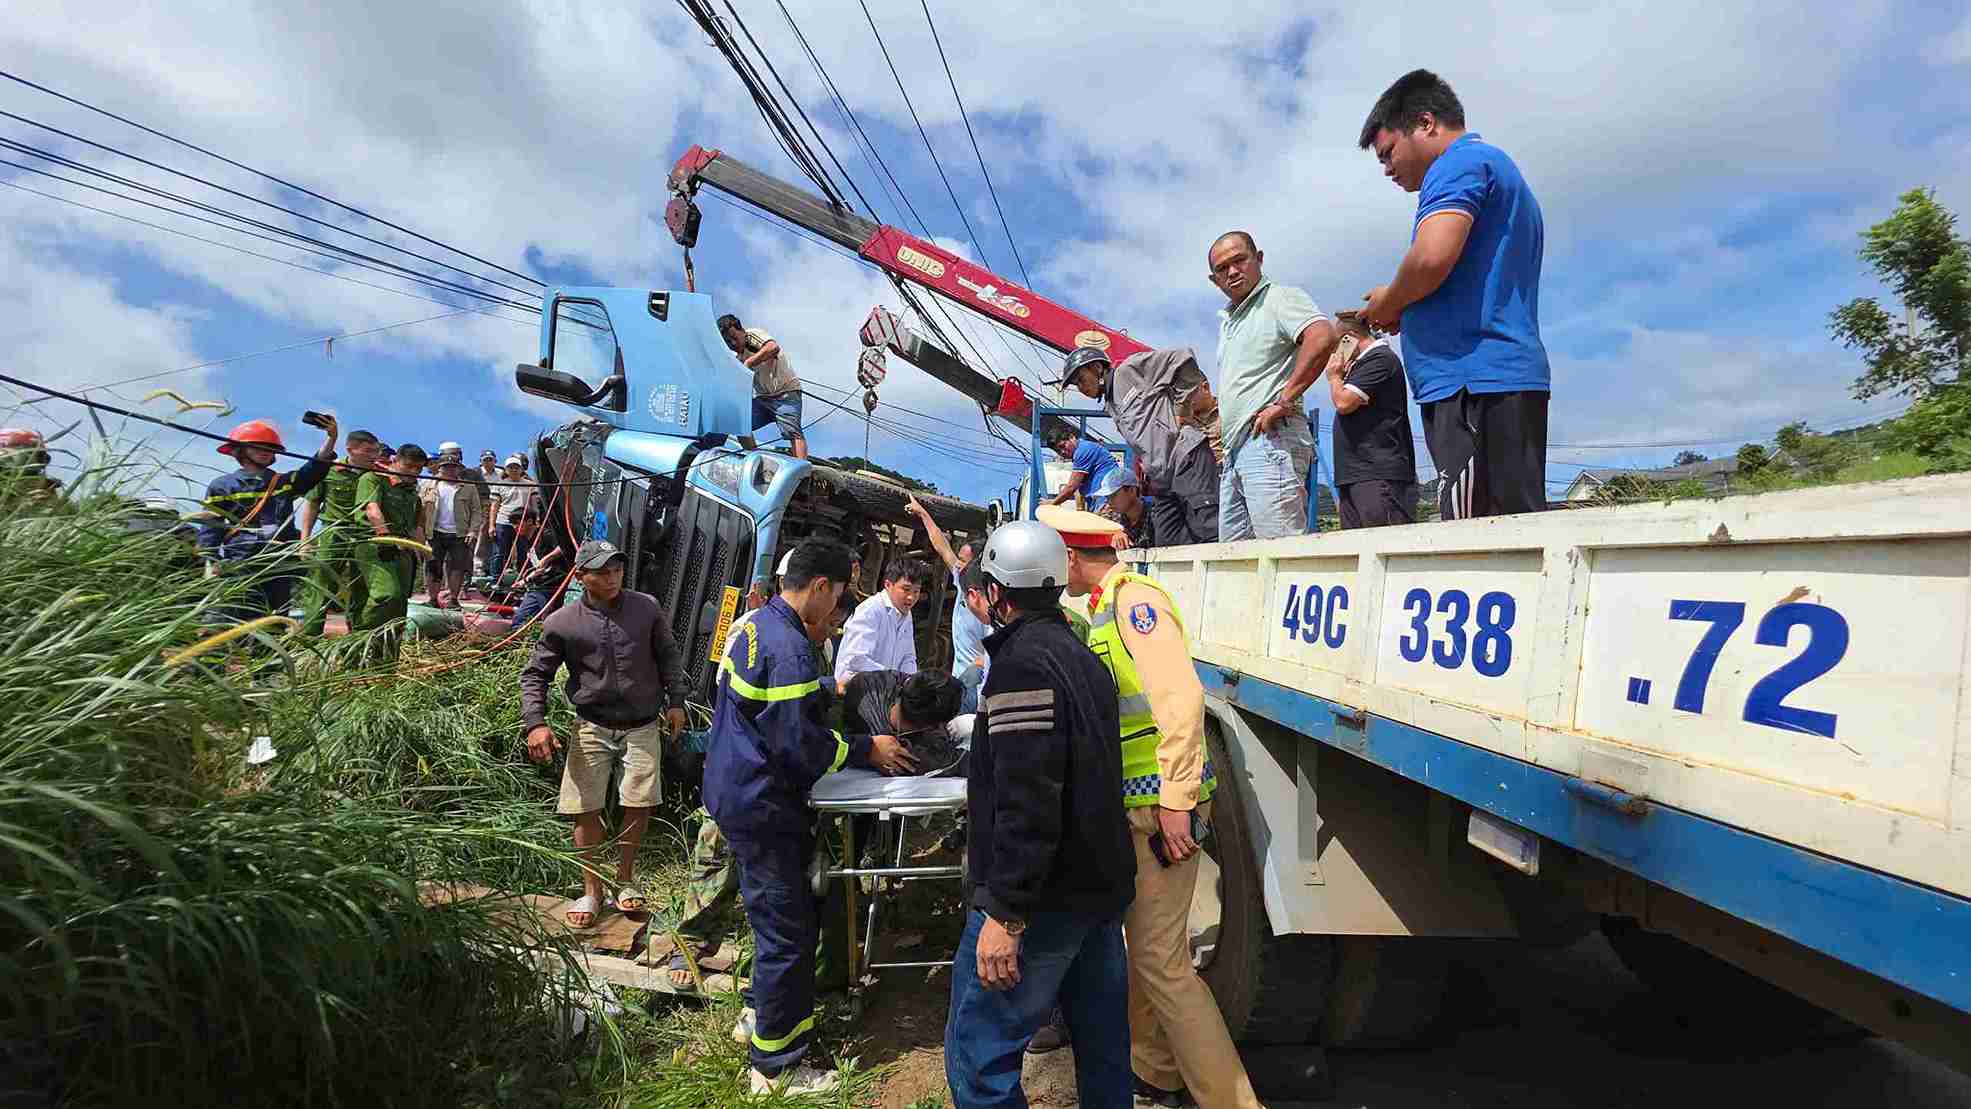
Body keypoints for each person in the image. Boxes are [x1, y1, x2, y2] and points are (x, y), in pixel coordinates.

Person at [1040, 506, 1259, 1109]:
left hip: (1157, 808)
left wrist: (1176, 802)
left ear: (1075, 556)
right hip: (1135, 807)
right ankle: (1156, 1070)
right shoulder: (1098, 608)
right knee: (1146, 951)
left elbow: (1180, 698)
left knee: (1164, 965)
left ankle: (1233, 1101)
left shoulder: (1135, 603)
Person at [704, 540, 916, 1094]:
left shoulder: (755, 626)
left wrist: (829, 687)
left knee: (768, 914)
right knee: (788, 928)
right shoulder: (792, 647)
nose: (839, 611)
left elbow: (763, 701)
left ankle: (757, 1014)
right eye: (839, 595)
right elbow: (799, 744)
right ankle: (776, 1066)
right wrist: (867, 749)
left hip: (733, 788)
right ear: (820, 586)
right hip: (764, 801)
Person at [943, 519, 1134, 1109]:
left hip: (1045, 899)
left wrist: (1006, 912)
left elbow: (1030, 798)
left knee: (979, 1060)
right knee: (1103, 1052)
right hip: (1098, 893)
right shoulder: (1080, 656)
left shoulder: (1022, 664)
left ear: (997, 593)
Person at [1359, 69, 1550, 519]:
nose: (1387, 169)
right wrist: (1407, 306)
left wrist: (1390, 302)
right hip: (1494, 378)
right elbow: (1461, 275)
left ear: (1425, 123)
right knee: (1513, 535)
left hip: (1472, 384)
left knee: (1480, 547)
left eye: (1388, 154)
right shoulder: (1492, 168)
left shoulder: (1457, 164)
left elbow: (1430, 258)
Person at [521, 540, 690, 928]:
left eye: (616, 569)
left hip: (644, 724)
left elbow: (669, 654)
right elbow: (536, 675)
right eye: (601, 572)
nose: (612, 577)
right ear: (581, 577)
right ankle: (592, 891)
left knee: (639, 800)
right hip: (592, 725)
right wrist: (536, 723)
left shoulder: (646, 608)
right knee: (585, 806)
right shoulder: (563, 622)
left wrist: (677, 700)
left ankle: (625, 880)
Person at [1207, 230, 1339, 541]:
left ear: (1259, 259)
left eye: (1240, 260)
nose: (1233, 271)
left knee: (1277, 555)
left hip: (1269, 440)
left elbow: (1321, 337)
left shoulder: (1278, 298)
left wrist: (1283, 401)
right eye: (1222, 268)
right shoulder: (1233, 320)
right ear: (1215, 281)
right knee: (1234, 562)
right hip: (1237, 449)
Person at [1054, 346, 1221, 545]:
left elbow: (1182, 357)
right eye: (1076, 385)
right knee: (1166, 541)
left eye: (1081, 379)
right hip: (1162, 477)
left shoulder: (1128, 371)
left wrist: (1182, 409)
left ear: (1097, 367)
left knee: (1207, 530)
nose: (1081, 388)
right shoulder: (1111, 405)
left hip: (1186, 458)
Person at [197, 416, 340, 621]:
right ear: (240, 450)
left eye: (269, 448)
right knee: (227, 619)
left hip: (277, 563)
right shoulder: (221, 486)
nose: (265, 453)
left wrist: (331, 438)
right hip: (239, 563)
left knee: (270, 622)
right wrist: (211, 561)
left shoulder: (283, 482)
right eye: (258, 448)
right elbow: (211, 527)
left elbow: (313, 469)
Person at [1326, 312, 1421, 528]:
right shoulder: (1360, 365)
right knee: (1357, 553)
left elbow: (1343, 402)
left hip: (1377, 474)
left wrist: (1333, 377)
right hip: (1356, 475)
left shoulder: (1379, 359)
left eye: (1335, 345)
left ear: (1348, 339)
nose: (1333, 353)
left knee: (1386, 550)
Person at [904, 496, 989, 712]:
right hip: (959, 681)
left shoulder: (988, 603)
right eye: (959, 558)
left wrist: (973, 672)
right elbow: (941, 546)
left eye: (964, 561)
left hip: (976, 687)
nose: (958, 564)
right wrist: (923, 513)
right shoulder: (962, 579)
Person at [298, 429, 382, 636]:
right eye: (368, 451)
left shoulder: (379, 475)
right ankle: (310, 636)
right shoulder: (330, 471)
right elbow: (312, 504)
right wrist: (305, 539)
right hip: (332, 533)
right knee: (321, 584)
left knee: (361, 586)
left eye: (376, 451)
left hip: (364, 536)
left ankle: (357, 638)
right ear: (350, 449)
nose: (374, 455)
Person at [349, 443, 425, 660]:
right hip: (374, 546)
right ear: (395, 461)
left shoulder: (412, 494)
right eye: (409, 466)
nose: (414, 472)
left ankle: (386, 662)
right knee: (386, 595)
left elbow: (415, 528)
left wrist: (430, 557)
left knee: (399, 607)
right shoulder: (374, 478)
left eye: (418, 469)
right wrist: (384, 538)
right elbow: (372, 509)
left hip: (402, 551)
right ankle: (358, 649)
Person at [719, 313, 808, 461]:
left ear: (741, 330)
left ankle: (803, 471)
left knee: (793, 432)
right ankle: (754, 458)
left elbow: (773, 347)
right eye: (728, 341)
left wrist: (749, 363)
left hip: (786, 394)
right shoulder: (737, 357)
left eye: (734, 337)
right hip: (763, 399)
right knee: (740, 421)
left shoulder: (753, 336)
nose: (733, 343)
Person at [834, 556, 931, 687]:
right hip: (856, 691)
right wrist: (895, 677)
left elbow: (908, 657)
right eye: (906, 589)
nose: (911, 597)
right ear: (888, 585)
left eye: (916, 591)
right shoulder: (870, 610)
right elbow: (856, 660)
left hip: (885, 691)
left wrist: (910, 682)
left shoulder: (906, 613)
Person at [418, 444, 484, 609]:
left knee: (457, 568)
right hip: (433, 532)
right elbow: (420, 510)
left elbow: (477, 511)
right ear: (440, 468)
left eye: (453, 467)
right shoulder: (428, 486)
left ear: (458, 468)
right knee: (433, 566)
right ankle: (432, 599)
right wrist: (421, 533)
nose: (450, 470)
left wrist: (473, 530)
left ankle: (453, 599)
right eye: (446, 467)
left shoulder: (469, 488)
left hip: (459, 533)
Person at [507, 501, 574, 629]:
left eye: (518, 523)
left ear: (530, 521)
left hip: (554, 585)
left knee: (550, 620)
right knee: (519, 620)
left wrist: (548, 558)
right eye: (513, 524)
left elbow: (564, 546)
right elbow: (536, 567)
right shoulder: (525, 540)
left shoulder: (545, 534)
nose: (515, 527)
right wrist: (523, 581)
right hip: (539, 586)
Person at [1043, 425, 1122, 511]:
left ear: (1071, 437)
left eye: (1063, 446)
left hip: (1107, 502)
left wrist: (1053, 502)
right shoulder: (1082, 451)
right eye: (1058, 451)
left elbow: (1072, 487)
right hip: (1103, 502)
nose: (1062, 452)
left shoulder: (1083, 451)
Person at [485, 454, 536, 584]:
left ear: (521, 469)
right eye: (510, 467)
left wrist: (536, 522)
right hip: (503, 521)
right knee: (499, 553)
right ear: (506, 470)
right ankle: (496, 580)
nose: (514, 469)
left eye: (516, 467)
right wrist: (491, 525)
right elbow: (494, 506)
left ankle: (524, 579)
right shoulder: (499, 484)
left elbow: (534, 505)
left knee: (523, 553)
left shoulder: (530, 485)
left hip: (523, 523)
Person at [1100, 477, 1159, 551]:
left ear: (1132, 491)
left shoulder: (1156, 513)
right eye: (1107, 497)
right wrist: (1112, 534)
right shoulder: (1111, 516)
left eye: (1113, 496)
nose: (1109, 502)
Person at [468, 448, 497, 573]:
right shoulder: (475, 472)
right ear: (481, 461)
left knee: (495, 535)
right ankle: (478, 564)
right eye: (485, 460)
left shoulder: (501, 473)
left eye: (490, 459)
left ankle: (493, 564)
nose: (488, 462)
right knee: (481, 532)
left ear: (495, 460)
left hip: (498, 505)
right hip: (480, 505)